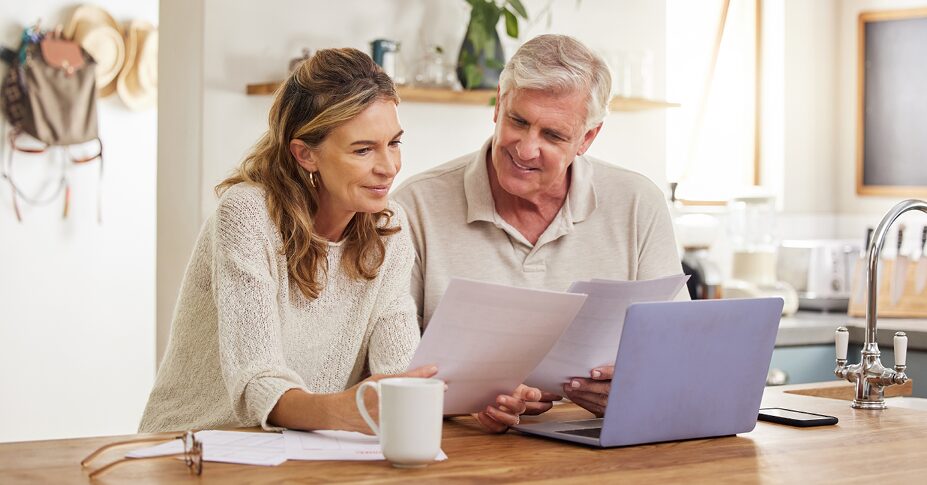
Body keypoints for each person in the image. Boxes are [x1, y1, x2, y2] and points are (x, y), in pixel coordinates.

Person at [139, 48, 527, 434]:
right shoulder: (247, 215)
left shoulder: (388, 228)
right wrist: (342, 411)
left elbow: (401, 368)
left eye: (394, 143)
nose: (389, 167)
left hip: (306, 451)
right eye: (363, 150)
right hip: (192, 445)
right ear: (305, 154)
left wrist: (466, 402)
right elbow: (257, 379)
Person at [393, 34, 687, 418]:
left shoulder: (637, 202)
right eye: (519, 121)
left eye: (553, 135)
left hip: (596, 441)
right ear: (499, 104)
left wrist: (638, 384)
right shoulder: (415, 204)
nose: (526, 149)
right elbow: (391, 364)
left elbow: (677, 346)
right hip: (460, 445)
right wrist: (465, 400)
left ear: (587, 139)